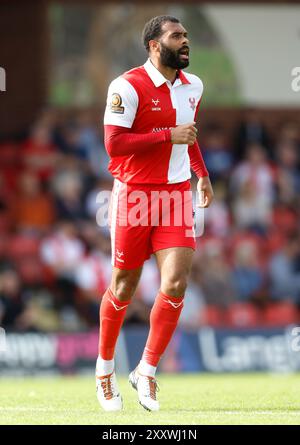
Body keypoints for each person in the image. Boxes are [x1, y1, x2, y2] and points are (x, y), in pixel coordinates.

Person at [96, 15, 213, 412]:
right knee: (125, 287)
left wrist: (202, 176)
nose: (185, 42)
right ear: (153, 45)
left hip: (176, 195)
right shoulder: (126, 86)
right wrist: (167, 135)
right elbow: (114, 145)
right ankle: (105, 370)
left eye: (186, 36)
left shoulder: (193, 85)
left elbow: (189, 134)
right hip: (134, 196)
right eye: (176, 36)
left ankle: (146, 371)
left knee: (177, 282)